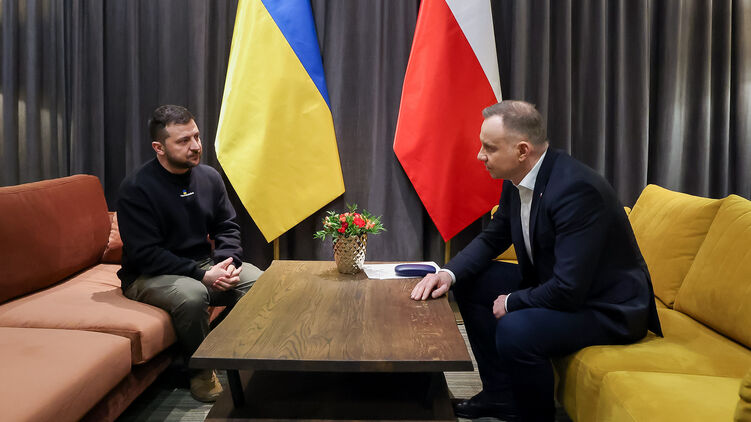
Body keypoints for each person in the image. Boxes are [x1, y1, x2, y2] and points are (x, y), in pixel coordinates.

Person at [410, 100, 662, 421]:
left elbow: (569, 289)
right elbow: (493, 237)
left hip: (607, 307)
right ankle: (501, 397)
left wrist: (512, 301)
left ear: (522, 150)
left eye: (489, 147)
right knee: (472, 280)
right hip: (563, 286)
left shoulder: (576, 190)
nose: (480, 155)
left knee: (516, 329)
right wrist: (448, 274)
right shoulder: (518, 180)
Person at [117, 104, 262, 403]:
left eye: (196, 136)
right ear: (159, 147)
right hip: (149, 274)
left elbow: (226, 226)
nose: (195, 146)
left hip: (204, 264)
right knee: (193, 295)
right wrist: (202, 275)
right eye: (183, 141)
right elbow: (145, 254)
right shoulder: (136, 188)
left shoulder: (209, 177)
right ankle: (200, 371)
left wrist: (228, 262)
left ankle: (242, 356)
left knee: (260, 283)